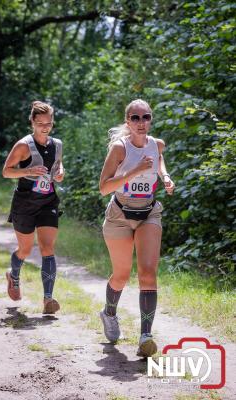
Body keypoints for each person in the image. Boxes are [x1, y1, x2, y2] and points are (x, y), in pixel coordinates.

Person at [99, 99, 175, 357]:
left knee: (148, 273)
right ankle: (109, 312)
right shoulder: (120, 149)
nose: (141, 122)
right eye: (135, 118)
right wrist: (135, 171)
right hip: (120, 214)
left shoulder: (157, 144)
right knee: (121, 276)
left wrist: (164, 176)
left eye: (146, 117)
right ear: (127, 122)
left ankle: (145, 336)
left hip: (148, 212)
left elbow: (159, 158)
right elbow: (104, 188)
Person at [2, 100, 64, 314]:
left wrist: (60, 172)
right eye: (40, 123)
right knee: (26, 249)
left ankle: (48, 299)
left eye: (49, 123)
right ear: (32, 123)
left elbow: (58, 165)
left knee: (48, 248)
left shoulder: (57, 144)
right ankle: (14, 275)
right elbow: (6, 171)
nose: (45, 127)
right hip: (25, 203)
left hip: (48, 201)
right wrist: (27, 172)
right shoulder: (23, 145)